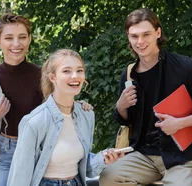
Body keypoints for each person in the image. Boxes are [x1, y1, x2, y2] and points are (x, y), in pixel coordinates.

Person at [100, 8, 192, 186]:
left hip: (182, 158)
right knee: (108, 177)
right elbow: (126, 121)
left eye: (146, 34)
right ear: (128, 37)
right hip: (142, 157)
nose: (140, 42)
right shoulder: (129, 74)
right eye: (134, 36)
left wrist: (180, 123)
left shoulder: (184, 67)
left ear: (158, 32)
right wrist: (121, 107)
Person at [0, 13, 92, 186]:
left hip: (41, 150)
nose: (16, 44)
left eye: (22, 37)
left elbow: (60, 104)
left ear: (29, 39)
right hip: (6, 152)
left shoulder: (42, 76)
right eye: (8, 38)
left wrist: (80, 106)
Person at [7, 49, 123, 186]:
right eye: (66, 71)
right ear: (52, 77)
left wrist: (103, 159)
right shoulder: (34, 122)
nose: (75, 76)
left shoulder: (86, 115)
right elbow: (20, 175)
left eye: (79, 70)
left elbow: (83, 168)